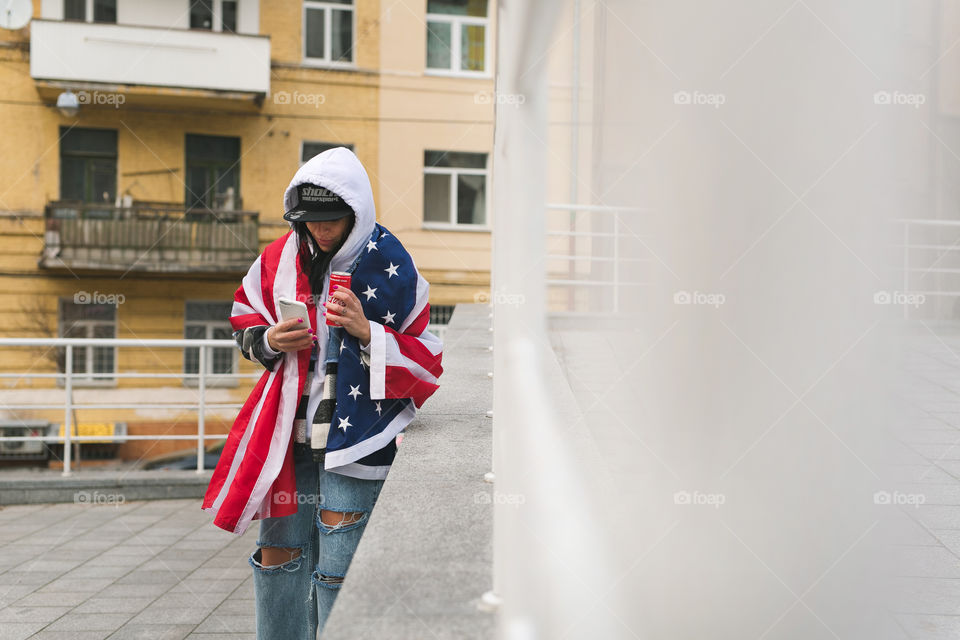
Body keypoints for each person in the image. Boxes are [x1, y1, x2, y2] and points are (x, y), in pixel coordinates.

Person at [202, 147, 443, 639]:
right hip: (287, 437)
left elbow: (428, 359)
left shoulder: (389, 262)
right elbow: (244, 320)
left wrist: (367, 331)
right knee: (279, 560)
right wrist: (269, 338)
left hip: (355, 437)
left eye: (331, 220)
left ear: (355, 213)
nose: (320, 231)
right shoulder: (276, 259)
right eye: (310, 221)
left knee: (340, 567)